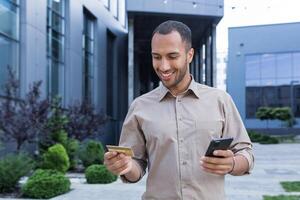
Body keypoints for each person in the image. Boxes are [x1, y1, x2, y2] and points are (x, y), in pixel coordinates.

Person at [104, 20, 254, 200]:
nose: (163, 66)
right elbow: (136, 166)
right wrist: (125, 166)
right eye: (157, 57)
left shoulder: (220, 100)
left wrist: (232, 163)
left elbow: (246, 153)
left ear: (189, 55)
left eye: (172, 56)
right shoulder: (139, 106)